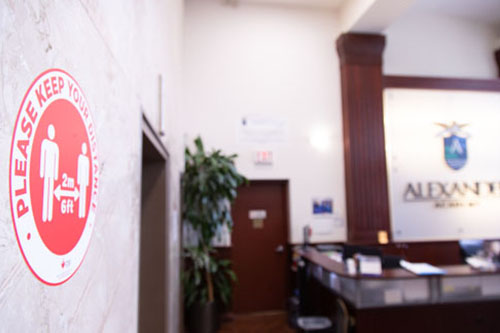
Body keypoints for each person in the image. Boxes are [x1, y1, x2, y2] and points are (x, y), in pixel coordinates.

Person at [40, 124, 59, 222]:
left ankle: (49, 215)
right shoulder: (45, 143)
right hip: (46, 171)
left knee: (50, 192)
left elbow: (56, 161)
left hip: (51, 172)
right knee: (46, 190)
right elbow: (43, 157)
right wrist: (41, 172)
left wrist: (56, 175)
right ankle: (44, 215)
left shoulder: (55, 146)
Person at [77, 142, 90, 218]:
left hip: (85, 181)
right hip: (81, 179)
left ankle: (81, 213)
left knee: (83, 196)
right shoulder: (80, 158)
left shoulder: (86, 160)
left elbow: (88, 169)